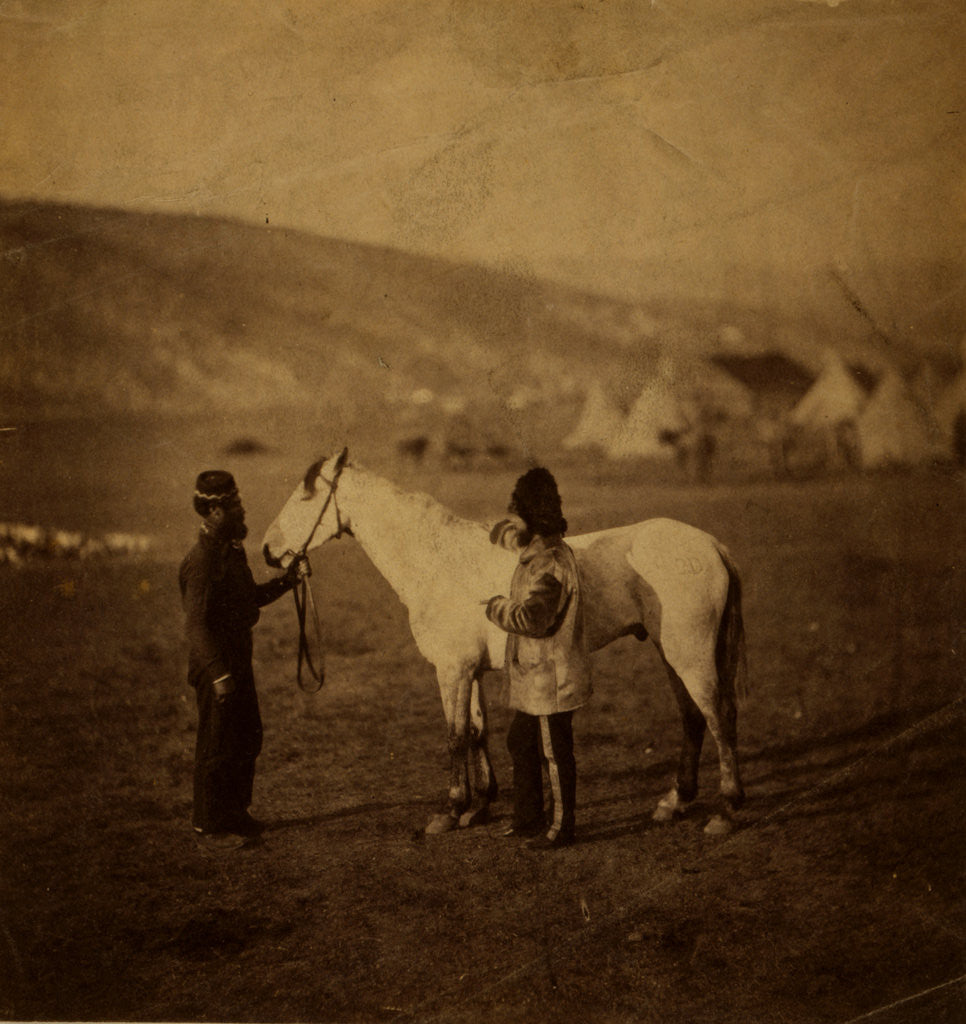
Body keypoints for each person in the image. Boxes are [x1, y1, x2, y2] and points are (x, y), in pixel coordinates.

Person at [179, 470, 309, 849]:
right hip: (216, 666)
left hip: (238, 660)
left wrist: (289, 580)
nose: (241, 509)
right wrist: (219, 676)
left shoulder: (230, 552)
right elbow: (196, 627)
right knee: (217, 743)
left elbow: (250, 598)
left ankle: (235, 812)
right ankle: (209, 825)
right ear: (215, 511)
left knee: (246, 737)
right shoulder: (201, 561)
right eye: (234, 504)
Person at [485, 467, 592, 850]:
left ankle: (562, 827)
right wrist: (507, 526)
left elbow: (533, 619)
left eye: (518, 513)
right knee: (520, 740)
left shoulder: (550, 564)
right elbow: (501, 533)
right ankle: (528, 818)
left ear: (532, 515)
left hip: (551, 678)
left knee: (554, 751)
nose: (513, 522)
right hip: (535, 677)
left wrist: (497, 608)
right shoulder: (541, 552)